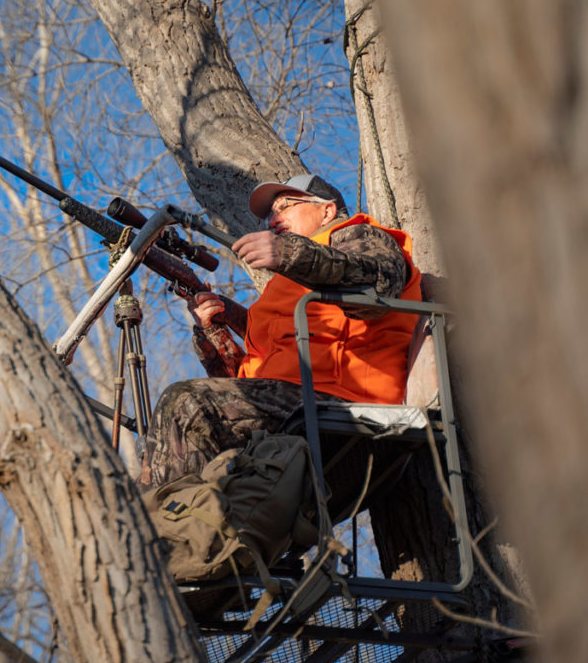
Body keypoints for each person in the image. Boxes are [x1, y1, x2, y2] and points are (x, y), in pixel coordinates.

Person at [137, 174, 422, 492]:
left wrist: (288, 253)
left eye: (284, 207)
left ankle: (151, 536)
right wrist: (213, 330)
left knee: (187, 403)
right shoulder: (281, 292)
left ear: (326, 211)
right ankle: (168, 528)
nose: (272, 220)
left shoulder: (355, 234)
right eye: (268, 215)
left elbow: (379, 285)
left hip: (346, 403)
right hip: (292, 406)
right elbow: (243, 384)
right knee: (165, 437)